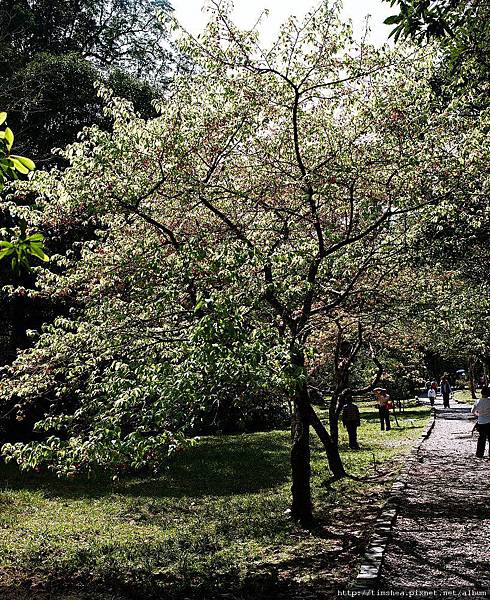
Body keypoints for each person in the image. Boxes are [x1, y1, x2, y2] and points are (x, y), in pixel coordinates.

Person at [472, 385, 490, 458]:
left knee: (481, 438)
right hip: (489, 421)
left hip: (481, 422)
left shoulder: (478, 401)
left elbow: (473, 411)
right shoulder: (489, 401)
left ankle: (479, 454)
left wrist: (478, 414)